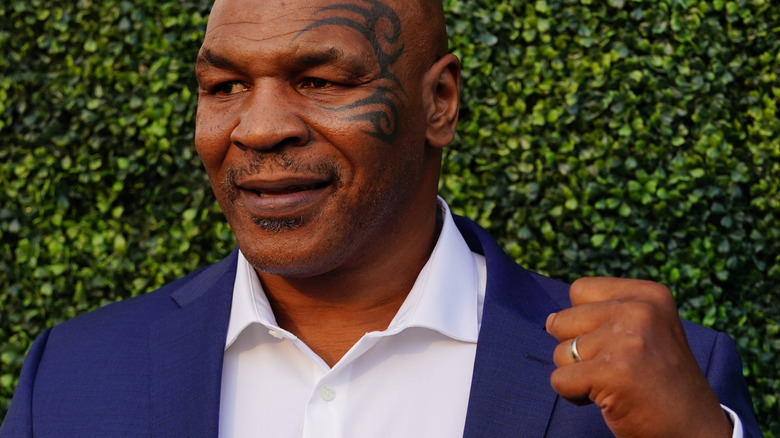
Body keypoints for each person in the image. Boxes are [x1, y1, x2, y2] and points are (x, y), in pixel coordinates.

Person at [0, 0, 762, 436]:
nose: (258, 128)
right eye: (225, 85)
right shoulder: (68, 378)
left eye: (322, 79)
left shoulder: (666, 382)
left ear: (440, 103)